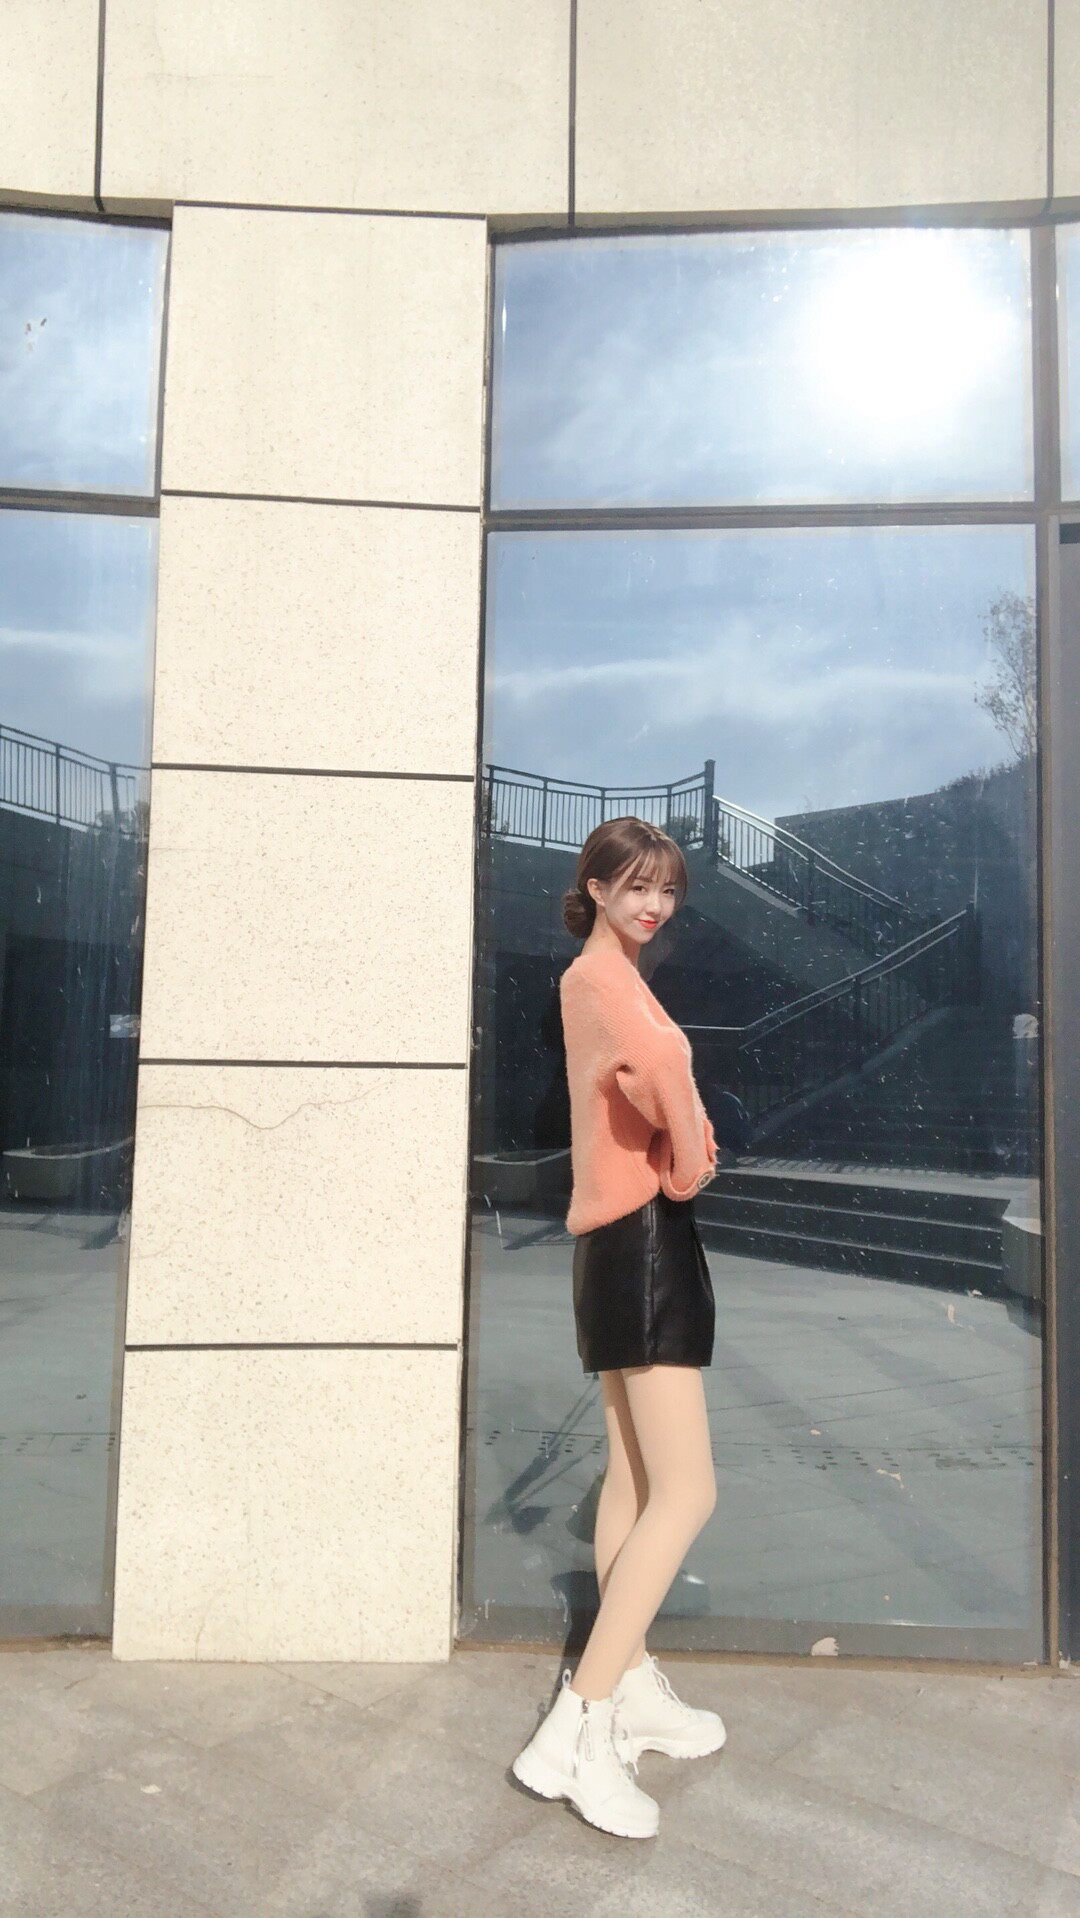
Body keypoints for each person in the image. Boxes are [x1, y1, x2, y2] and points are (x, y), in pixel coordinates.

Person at [511, 815, 727, 1840]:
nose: (654, 904)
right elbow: (661, 1083)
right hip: (643, 1243)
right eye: (635, 885)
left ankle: (628, 1682)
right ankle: (580, 1727)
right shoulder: (605, 981)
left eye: (667, 889)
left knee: (634, 1480)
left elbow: (638, 1082)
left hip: (610, 1247)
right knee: (688, 1490)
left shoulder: (597, 979)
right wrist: (693, 1156)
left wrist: (667, 1109)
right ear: (594, 887)